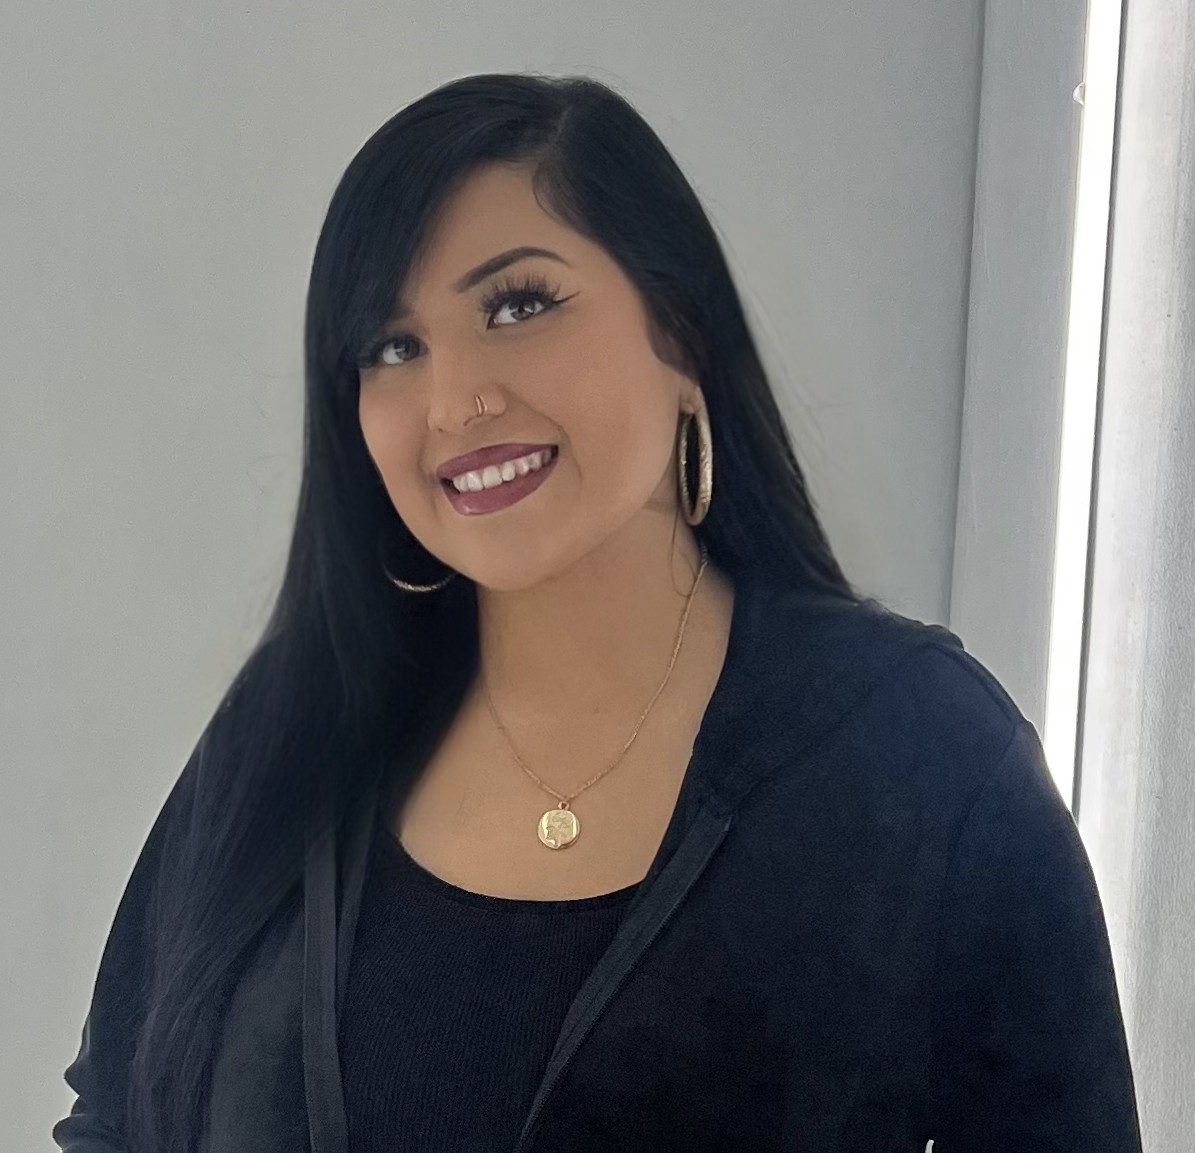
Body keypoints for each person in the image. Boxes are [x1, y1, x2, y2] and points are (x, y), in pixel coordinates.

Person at [53, 72, 1142, 1153]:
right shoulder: (296, 722)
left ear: (682, 332)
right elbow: (113, 1117)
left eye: (518, 305)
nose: (456, 401)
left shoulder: (920, 756)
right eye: (394, 347)